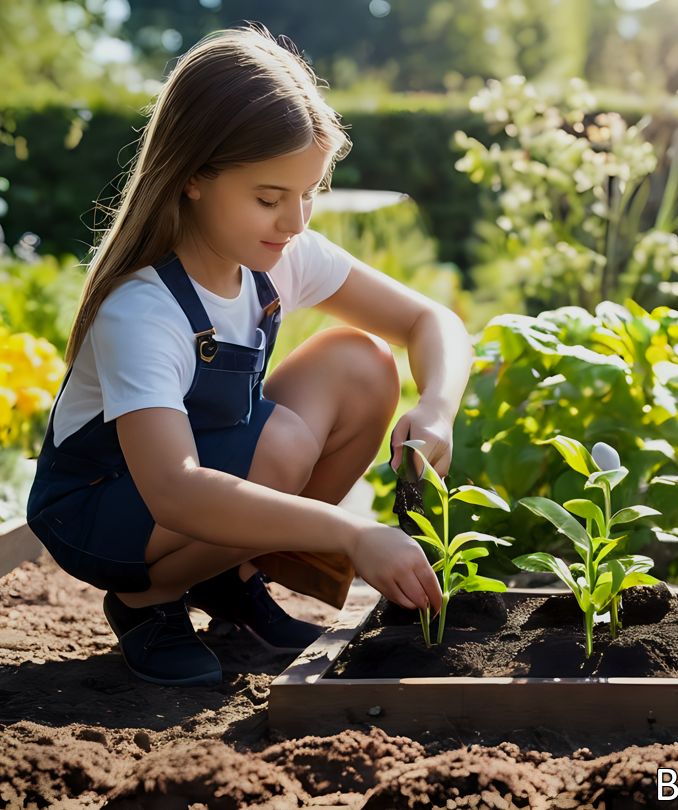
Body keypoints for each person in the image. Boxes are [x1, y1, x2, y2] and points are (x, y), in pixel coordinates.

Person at [25, 23, 469, 687]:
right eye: (269, 199)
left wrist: (435, 407)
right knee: (282, 444)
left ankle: (231, 580)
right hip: (99, 511)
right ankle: (146, 604)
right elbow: (175, 489)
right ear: (196, 177)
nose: (295, 222)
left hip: (200, 480)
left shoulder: (279, 257)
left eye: (309, 193)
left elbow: (430, 320)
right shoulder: (143, 310)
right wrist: (350, 534)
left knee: (364, 364)